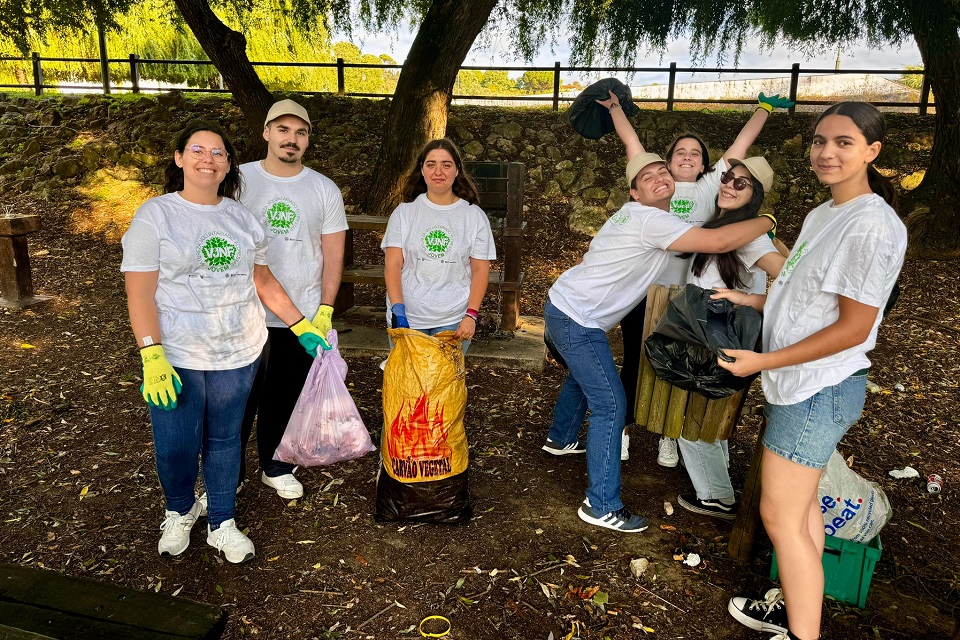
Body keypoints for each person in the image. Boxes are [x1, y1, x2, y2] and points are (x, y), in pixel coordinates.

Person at [720, 103, 907, 640]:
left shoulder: (871, 226)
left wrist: (763, 361)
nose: (827, 152)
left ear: (872, 151)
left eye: (844, 143)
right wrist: (752, 303)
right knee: (801, 513)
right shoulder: (826, 213)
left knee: (779, 516)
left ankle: (803, 633)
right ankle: (797, 609)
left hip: (817, 389)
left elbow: (853, 328)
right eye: (820, 141)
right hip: (800, 383)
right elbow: (804, 295)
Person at [121, 121, 329, 564]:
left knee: (224, 439)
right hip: (176, 352)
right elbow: (138, 292)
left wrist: (300, 325)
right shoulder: (155, 215)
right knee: (175, 443)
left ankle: (221, 520)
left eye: (218, 152)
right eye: (197, 149)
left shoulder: (240, 218)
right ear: (179, 158)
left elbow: (263, 280)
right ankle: (179, 510)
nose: (207, 158)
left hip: (238, 349)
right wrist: (150, 353)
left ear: (229, 165)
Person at [542, 152, 776, 533]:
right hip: (576, 319)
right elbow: (716, 241)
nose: (659, 177)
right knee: (612, 404)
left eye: (662, 172)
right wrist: (767, 219)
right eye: (646, 177)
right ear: (634, 194)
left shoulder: (653, 218)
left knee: (590, 373)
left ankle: (561, 438)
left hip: (568, 308)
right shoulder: (649, 218)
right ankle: (601, 505)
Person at [597, 90, 793, 465]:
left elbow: (742, 146)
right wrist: (616, 110)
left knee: (683, 364)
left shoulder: (711, 188)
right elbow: (633, 144)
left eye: (696, 153)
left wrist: (763, 109)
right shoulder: (658, 188)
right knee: (639, 359)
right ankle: (622, 428)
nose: (687, 157)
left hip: (689, 292)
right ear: (667, 162)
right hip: (648, 290)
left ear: (706, 164)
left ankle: (669, 435)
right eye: (679, 153)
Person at [237, 99, 348, 501]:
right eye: (283, 130)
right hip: (243, 311)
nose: (292, 139)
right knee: (239, 398)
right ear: (266, 133)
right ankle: (227, 472)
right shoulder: (238, 180)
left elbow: (333, 253)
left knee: (284, 393)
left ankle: (275, 464)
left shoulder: (323, 188)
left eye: (300, 132)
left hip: (299, 315)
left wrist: (325, 308)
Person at [672, 156, 786, 521]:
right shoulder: (729, 227)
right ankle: (718, 485)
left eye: (741, 184)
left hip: (724, 338)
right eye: (728, 177)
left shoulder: (750, 237)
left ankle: (717, 497)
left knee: (693, 421)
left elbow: (791, 280)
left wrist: (753, 300)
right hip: (708, 335)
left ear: (755, 197)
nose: (728, 185)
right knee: (710, 416)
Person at [382, 138, 495, 352]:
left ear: (457, 170)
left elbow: (480, 269)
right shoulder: (404, 213)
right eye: (431, 164)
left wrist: (471, 315)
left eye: (446, 164)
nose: (438, 171)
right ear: (422, 170)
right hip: (409, 317)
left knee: (445, 385)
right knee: (408, 385)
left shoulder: (474, 216)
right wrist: (398, 310)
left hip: (453, 319)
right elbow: (393, 264)